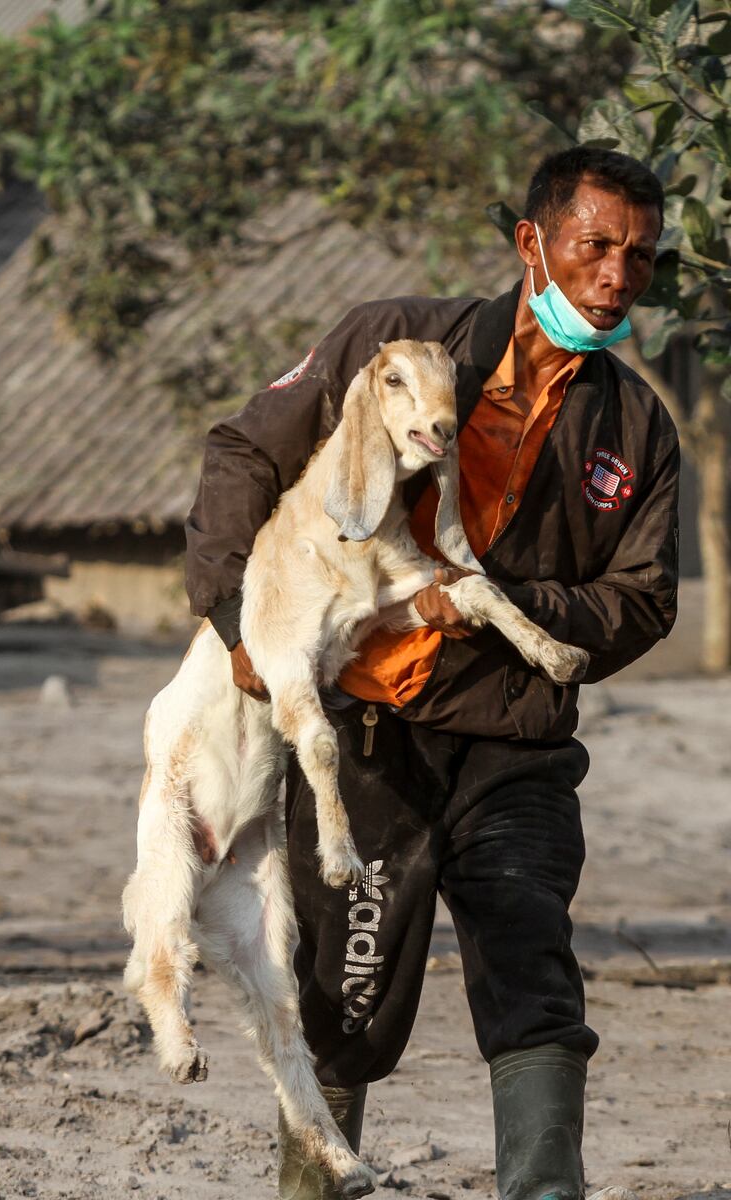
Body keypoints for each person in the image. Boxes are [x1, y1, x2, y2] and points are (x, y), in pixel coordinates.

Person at [184, 147, 679, 1200]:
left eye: (637, 256)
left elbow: (640, 602)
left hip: (515, 746)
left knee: (531, 978)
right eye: (592, 246)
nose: (614, 275)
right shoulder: (390, 347)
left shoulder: (636, 426)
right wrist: (234, 619)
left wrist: (498, 606)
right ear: (531, 244)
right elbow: (242, 452)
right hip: (368, 742)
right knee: (338, 1001)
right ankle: (309, 1186)